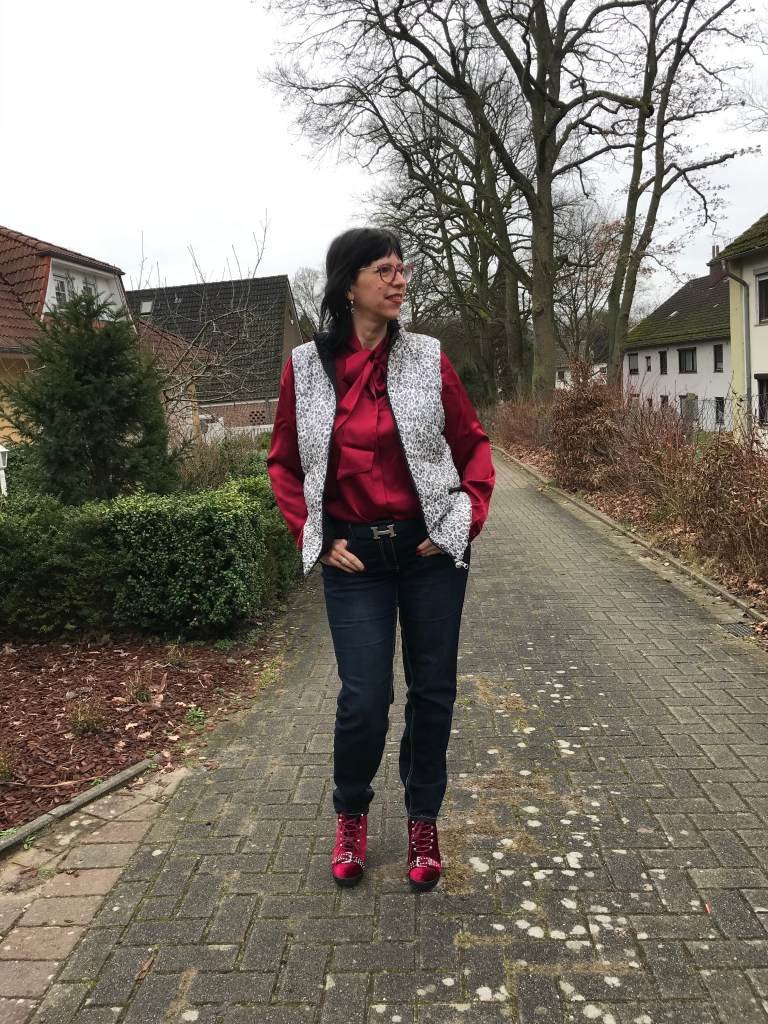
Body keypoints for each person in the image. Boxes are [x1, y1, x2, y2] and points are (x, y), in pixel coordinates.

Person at [268, 227, 495, 891]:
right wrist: (313, 536)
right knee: (365, 697)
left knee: (433, 692)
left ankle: (423, 820)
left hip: (430, 551)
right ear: (349, 285)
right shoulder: (307, 367)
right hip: (355, 558)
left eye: (403, 269)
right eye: (385, 270)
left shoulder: (428, 357)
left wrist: (461, 523)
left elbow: (473, 446)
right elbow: (284, 462)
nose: (400, 280)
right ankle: (351, 813)